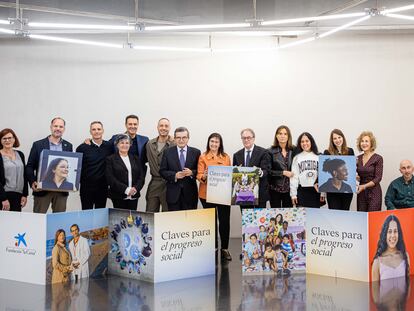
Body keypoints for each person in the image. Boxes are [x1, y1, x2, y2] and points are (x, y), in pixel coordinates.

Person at [26, 117, 73, 213]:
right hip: (42, 190)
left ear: (64, 129)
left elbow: (70, 166)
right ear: (51, 127)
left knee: (58, 221)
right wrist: (32, 181)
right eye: (55, 126)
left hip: (61, 191)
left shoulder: (68, 146)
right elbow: (30, 166)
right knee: (38, 219)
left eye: (61, 126)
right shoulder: (38, 145)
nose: (58, 128)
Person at [197, 133, 232, 261]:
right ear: (208, 142)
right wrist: (205, 176)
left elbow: (230, 174)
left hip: (223, 194)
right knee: (211, 222)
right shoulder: (203, 157)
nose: (214, 144)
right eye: (212, 141)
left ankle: (224, 249)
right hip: (206, 194)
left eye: (216, 142)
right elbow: (199, 175)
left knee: (224, 221)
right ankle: (214, 248)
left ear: (220, 144)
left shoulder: (226, 157)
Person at [159, 127, 201, 211]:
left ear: (188, 138)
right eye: (178, 137)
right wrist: (174, 175)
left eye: (184, 137)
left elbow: (200, 171)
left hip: (190, 195)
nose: (181, 140)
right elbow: (162, 171)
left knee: (189, 222)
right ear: (174, 139)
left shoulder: (196, 152)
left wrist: (192, 172)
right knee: (174, 222)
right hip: (173, 195)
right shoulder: (167, 152)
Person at [76, 121, 113, 210]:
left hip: (103, 188)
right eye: (94, 129)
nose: (96, 131)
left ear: (103, 131)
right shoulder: (82, 148)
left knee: (99, 215)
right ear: (90, 132)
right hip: (86, 188)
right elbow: (77, 168)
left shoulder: (109, 146)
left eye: (99, 129)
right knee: (86, 214)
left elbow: (121, 140)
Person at [233, 128, 271, 208]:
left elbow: (266, 171)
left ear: (253, 138)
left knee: (259, 219)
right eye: (244, 138)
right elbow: (235, 175)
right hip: (243, 195)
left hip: (259, 194)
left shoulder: (263, 152)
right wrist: (236, 171)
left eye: (248, 137)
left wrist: (260, 172)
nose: (246, 140)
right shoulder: (236, 155)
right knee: (246, 219)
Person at [106, 134, 144, 210]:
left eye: (127, 143)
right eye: (122, 143)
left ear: (130, 145)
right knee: (120, 220)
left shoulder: (136, 158)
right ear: (117, 145)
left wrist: (135, 188)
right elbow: (110, 178)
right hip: (118, 196)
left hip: (134, 195)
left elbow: (141, 177)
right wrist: (126, 189)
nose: (124, 145)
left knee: (132, 219)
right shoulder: (110, 159)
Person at [145, 118, 175, 212]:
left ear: (169, 128)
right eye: (161, 125)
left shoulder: (174, 144)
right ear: (157, 127)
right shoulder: (149, 144)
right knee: (150, 212)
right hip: (154, 182)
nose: (163, 128)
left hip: (168, 183)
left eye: (166, 126)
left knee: (167, 215)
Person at [290, 132, 325, 208]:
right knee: (302, 217)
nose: (305, 143)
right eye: (302, 141)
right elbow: (294, 178)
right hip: (302, 191)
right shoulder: (297, 157)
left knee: (315, 217)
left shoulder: (319, 156)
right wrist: (293, 194)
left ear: (311, 142)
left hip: (316, 191)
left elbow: (322, 176)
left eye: (307, 141)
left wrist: (322, 193)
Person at [323, 129, 355, 210]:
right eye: (335, 138)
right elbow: (323, 172)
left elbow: (352, 169)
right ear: (332, 141)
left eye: (339, 137)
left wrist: (355, 176)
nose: (337, 140)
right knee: (334, 213)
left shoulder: (350, 151)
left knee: (345, 212)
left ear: (343, 138)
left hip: (346, 190)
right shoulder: (327, 152)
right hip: (332, 190)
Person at [372, 215, 410, 282]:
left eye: (395, 231)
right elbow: (375, 291)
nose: (393, 235)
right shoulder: (377, 262)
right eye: (389, 231)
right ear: (385, 234)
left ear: (399, 233)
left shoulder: (405, 256)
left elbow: (408, 286)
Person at [0, 128, 28, 211]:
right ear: (0, 141)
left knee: (15, 223)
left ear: (14, 139)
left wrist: (25, 195)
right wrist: (3, 198)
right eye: (4, 138)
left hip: (18, 196)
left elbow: (24, 175)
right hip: (3, 195)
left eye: (10, 138)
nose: (7, 140)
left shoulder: (20, 154)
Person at [268, 125, 295, 208]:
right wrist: (283, 172)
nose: (282, 136)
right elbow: (268, 171)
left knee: (288, 217)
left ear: (288, 136)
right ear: (276, 136)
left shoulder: (294, 150)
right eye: (280, 133)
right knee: (275, 215)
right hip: (275, 189)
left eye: (285, 134)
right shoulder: (270, 151)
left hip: (290, 189)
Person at [356, 131, 383, 212]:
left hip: (374, 192)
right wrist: (356, 178)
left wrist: (364, 186)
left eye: (366, 141)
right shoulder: (357, 158)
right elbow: (356, 175)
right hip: (361, 193)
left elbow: (378, 178)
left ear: (371, 143)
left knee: (373, 219)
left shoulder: (378, 158)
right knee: (361, 218)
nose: (364, 143)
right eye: (362, 141)